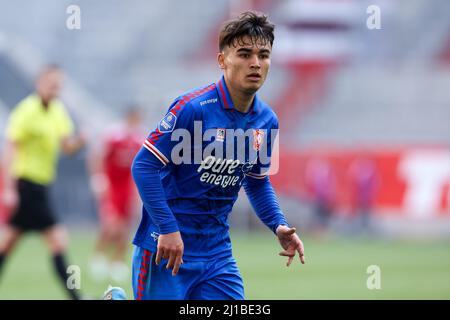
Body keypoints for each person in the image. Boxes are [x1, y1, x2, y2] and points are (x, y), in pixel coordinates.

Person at [130, 11, 305, 300]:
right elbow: (144, 166)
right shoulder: (193, 108)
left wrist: (278, 224)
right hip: (168, 246)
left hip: (217, 255)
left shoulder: (267, 121)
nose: (255, 63)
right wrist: (168, 228)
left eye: (264, 55)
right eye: (245, 54)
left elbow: (257, 181)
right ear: (222, 60)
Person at [0, 65, 85, 300]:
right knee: (58, 240)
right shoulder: (26, 111)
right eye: (52, 83)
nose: (56, 88)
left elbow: (66, 147)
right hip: (26, 185)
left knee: (7, 243)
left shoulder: (58, 111)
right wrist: (8, 189)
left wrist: (79, 142)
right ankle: (76, 297)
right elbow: (10, 148)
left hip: (41, 186)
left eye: (59, 84)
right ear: (39, 83)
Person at [89, 107, 145, 283]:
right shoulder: (113, 135)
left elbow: (141, 166)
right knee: (111, 225)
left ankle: (117, 262)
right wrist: (98, 178)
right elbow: (96, 156)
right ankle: (98, 257)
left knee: (125, 227)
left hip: (127, 188)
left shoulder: (139, 139)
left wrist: (137, 192)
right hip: (111, 186)